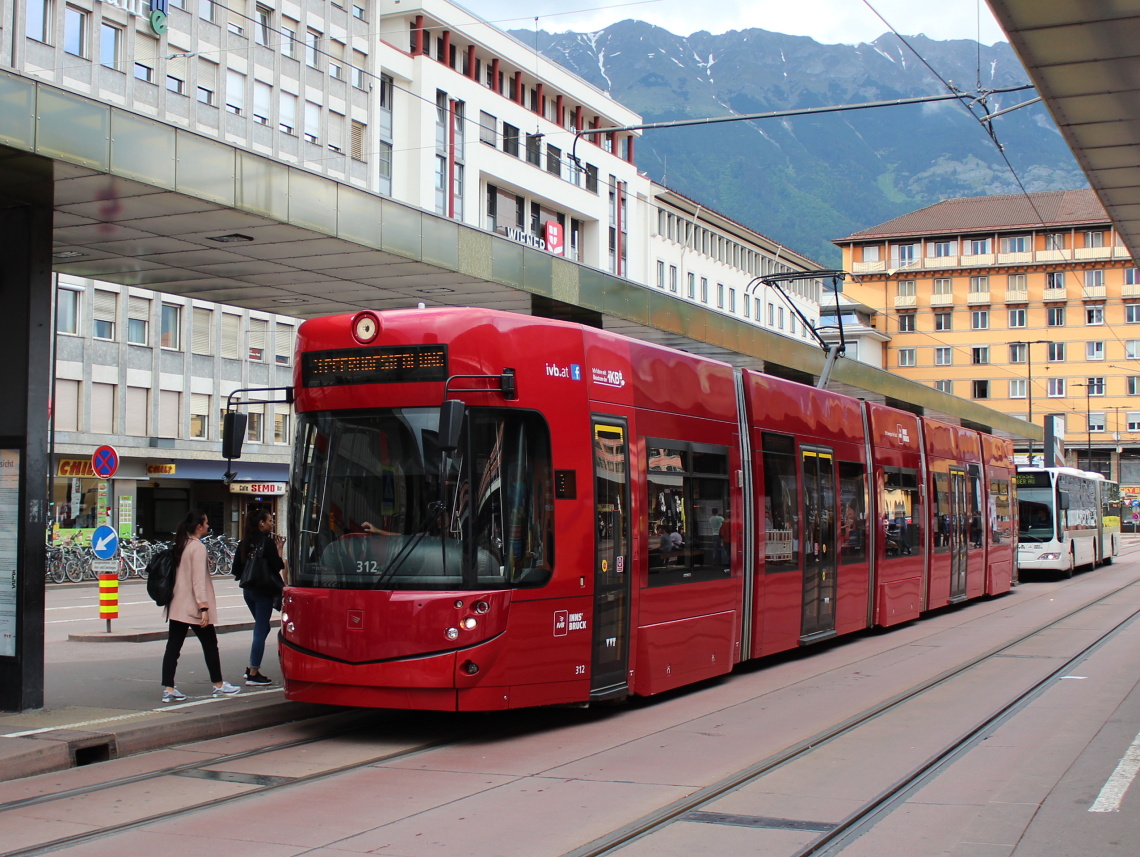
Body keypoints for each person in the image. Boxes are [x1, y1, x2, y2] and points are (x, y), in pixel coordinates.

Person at [161, 509, 241, 702]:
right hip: (193, 607)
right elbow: (198, 580)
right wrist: (203, 607)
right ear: (199, 526)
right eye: (205, 523)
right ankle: (219, 685)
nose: (207, 526)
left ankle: (169, 688)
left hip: (177, 605)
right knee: (210, 645)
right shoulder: (197, 547)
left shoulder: (181, 544)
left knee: (173, 647)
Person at [231, 509, 286, 686]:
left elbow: (236, 570)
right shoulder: (267, 542)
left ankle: (251, 668)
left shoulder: (244, 542)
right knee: (261, 630)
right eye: (270, 520)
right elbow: (277, 566)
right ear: (261, 523)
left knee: (262, 628)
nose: (272, 523)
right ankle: (253, 671)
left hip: (248, 591)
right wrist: (279, 549)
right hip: (263, 591)